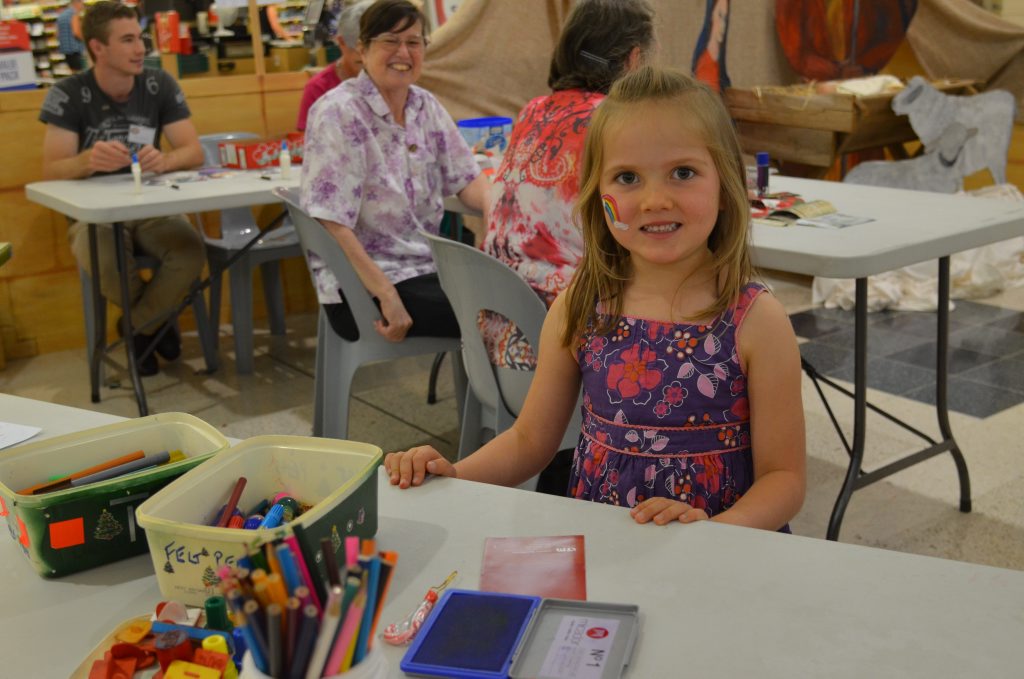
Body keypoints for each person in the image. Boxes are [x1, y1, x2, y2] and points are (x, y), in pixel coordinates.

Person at [385, 66, 806, 531]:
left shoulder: (756, 321)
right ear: (597, 195)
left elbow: (784, 479)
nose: (654, 199)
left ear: (726, 187)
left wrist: (711, 533)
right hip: (606, 548)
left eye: (683, 173)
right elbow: (529, 440)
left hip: (723, 551)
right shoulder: (581, 308)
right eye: (627, 177)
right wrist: (453, 476)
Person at [479, 0, 655, 371]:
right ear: (634, 59)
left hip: (497, 335)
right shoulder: (614, 121)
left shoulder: (534, 110)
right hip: (569, 348)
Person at [301, 0, 490, 343]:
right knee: (499, 313)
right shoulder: (337, 113)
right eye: (390, 40)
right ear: (363, 49)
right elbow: (330, 223)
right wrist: (386, 294)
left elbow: (467, 178)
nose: (403, 52)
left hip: (428, 269)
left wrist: (497, 207)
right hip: (362, 286)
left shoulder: (424, 105)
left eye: (414, 42)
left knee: (524, 294)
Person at [39, 1, 206, 377]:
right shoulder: (67, 93)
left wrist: (165, 160)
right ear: (97, 48)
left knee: (190, 251)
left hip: (151, 205)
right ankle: (155, 325)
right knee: (109, 262)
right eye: (127, 40)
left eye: (140, 38)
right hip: (92, 216)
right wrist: (86, 161)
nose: (141, 48)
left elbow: (193, 151)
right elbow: (50, 171)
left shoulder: (159, 83)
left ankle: (137, 328)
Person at [296, 0, 372, 132]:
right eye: (359, 60)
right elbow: (306, 137)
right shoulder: (319, 88)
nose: (367, 65)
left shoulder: (391, 81)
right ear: (341, 42)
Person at [57, 0, 86, 72]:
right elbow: (76, 33)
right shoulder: (74, 14)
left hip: (66, 51)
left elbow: (57, 34)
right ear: (77, 3)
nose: (83, 6)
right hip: (75, 50)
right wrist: (85, 40)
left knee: (73, 73)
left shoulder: (61, 15)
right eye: (82, 3)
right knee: (80, 73)